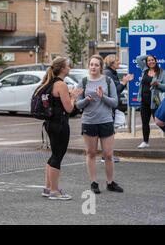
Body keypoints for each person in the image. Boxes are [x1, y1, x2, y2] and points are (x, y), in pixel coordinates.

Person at [76, 55, 123, 194]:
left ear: (101, 67)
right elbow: (77, 104)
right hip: (89, 121)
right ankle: (94, 182)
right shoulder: (83, 82)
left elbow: (115, 102)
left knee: (108, 154)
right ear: (88, 66)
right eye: (91, 64)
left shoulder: (108, 81)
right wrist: (86, 100)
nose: (93, 67)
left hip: (106, 120)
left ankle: (110, 182)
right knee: (91, 153)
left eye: (96, 65)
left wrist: (103, 97)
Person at [37, 57, 82, 200]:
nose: (70, 68)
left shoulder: (49, 82)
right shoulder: (61, 84)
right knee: (57, 156)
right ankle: (55, 191)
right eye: (68, 66)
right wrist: (73, 97)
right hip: (60, 124)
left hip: (50, 124)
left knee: (54, 155)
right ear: (62, 68)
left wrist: (69, 96)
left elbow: (57, 103)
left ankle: (48, 188)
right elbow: (68, 108)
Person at [135, 55, 165, 149]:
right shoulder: (145, 69)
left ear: (156, 61)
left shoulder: (161, 72)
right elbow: (138, 59)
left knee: (158, 121)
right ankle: (145, 141)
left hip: (155, 101)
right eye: (148, 60)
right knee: (145, 122)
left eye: (152, 60)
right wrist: (148, 55)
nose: (150, 62)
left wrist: (158, 84)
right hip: (144, 100)